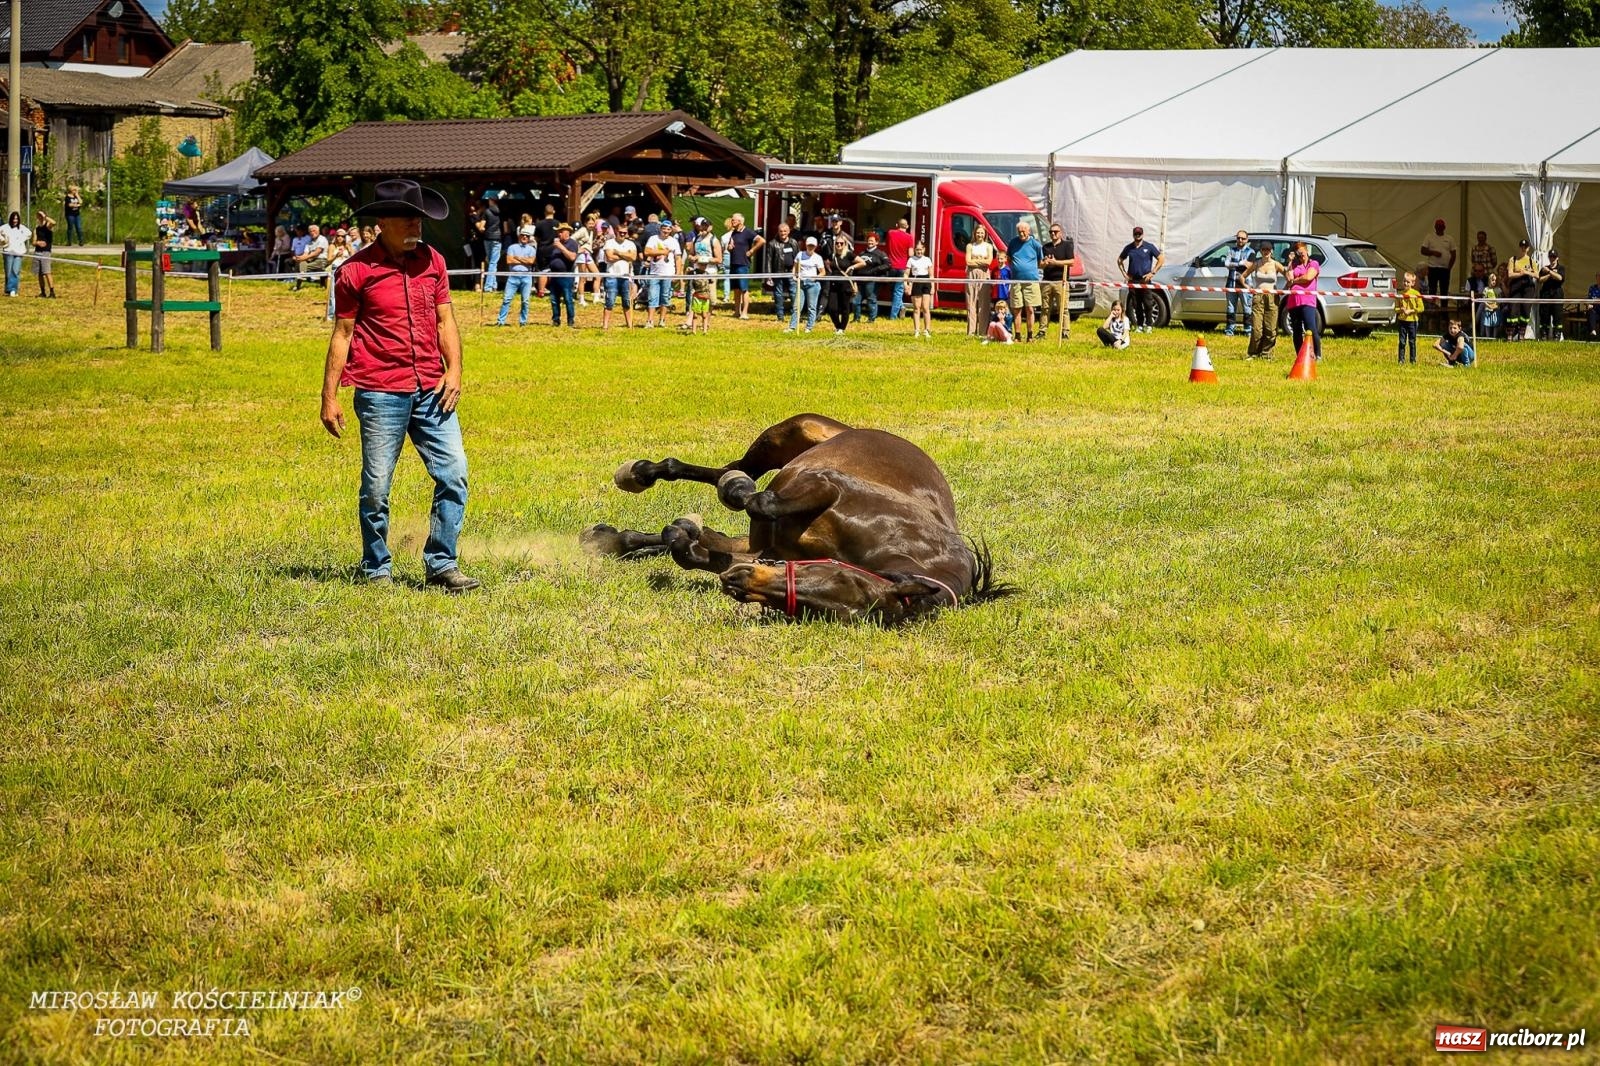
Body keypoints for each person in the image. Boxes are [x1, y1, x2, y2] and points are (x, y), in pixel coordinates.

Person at [319, 177, 476, 593]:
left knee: (455, 474)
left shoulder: (433, 261)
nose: (416, 225)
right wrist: (329, 397)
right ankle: (376, 568)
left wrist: (455, 370)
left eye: (419, 219)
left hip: (432, 389)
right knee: (376, 487)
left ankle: (442, 564)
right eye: (407, 218)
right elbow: (342, 334)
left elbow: (445, 321)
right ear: (382, 222)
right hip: (379, 392)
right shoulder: (354, 272)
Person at [1117, 226, 1164, 333]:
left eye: (1139, 234)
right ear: (1133, 235)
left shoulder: (1149, 247)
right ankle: (1139, 325)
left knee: (1148, 303)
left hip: (1145, 280)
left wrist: (1152, 272)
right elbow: (1119, 260)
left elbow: (1161, 259)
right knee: (1136, 304)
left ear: (1142, 234)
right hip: (1133, 280)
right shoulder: (1129, 248)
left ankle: (1149, 325)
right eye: (1136, 234)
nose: (1137, 236)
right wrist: (1124, 273)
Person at [1005, 219, 1044, 341]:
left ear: (1029, 231)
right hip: (1016, 281)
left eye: (1023, 231)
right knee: (1017, 309)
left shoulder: (1036, 245)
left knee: (1030, 309)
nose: (1021, 233)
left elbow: (1040, 262)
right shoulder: (1013, 243)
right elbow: (1009, 259)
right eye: (1019, 231)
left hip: (1031, 281)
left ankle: (1030, 335)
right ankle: (1017, 335)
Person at [1241, 242, 1282, 357]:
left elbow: (1289, 276)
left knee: (1271, 329)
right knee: (1256, 329)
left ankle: (1266, 353)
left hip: (1272, 297)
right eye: (1263, 249)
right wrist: (1248, 287)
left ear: (1271, 251)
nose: (1266, 252)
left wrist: (1284, 289)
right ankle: (1253, 353)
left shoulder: (1276, 264)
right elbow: (1242, 276)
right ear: (1260, 251)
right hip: (1258, 297)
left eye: (1268, 249)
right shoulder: (1256, 263)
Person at [1286, 242, 1321, 360]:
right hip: (1294, 301)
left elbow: (1308, 277)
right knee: (1296, 330)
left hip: (1308, 301)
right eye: (1298, 253)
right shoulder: (1294, 265)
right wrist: (1290, 262)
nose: (1301, 255)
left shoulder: (1314, 263)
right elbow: (1289, 278)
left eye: (1302, 252)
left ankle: (1317, 354)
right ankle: (1300, 356)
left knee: (1310, 327)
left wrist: (1295, 281)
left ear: (1307, 251)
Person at [496, 225, 537, 327]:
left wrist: (517, 258)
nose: (524, 237)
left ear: (529, 238)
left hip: (526, 277)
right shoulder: (512, 247)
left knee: (525, 301)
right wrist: (524, 260)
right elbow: (509, 260)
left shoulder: (532, 249)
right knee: (506, 299)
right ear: (519, 236)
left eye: (527, 236)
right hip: (513, 277)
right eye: (523, 235)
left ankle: (523, 322)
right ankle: (501, 321)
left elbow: (531, 262)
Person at [1041, 221, 1075, 340]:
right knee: (1045, 308)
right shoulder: (1046, 247)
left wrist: (1056, 262)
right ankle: (1042, 331)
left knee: (1063, 308)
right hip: (1047, 281)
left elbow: (1071, 262)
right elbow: (1040, 264)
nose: (1053, 234)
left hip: (1061, 281)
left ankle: (1065, 332)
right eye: (1051, 232)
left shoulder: (1067, 246)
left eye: (1055, 232)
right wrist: (1045, 263)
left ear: (1060, 233)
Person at [725, 213, 763, 320]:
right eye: (732, 220)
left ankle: (745, 312)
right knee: (736, 289)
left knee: (744, 289)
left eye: (734, 220)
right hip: (734, 263)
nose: (732, 221)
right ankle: (737, 311)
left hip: (743, 264)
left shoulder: (748, 232)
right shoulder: (733, 233)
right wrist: (729, 248)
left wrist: (752, 251)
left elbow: (761, 240)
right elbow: (730, 247)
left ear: (740, 221)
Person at [643, 219, 680, 328]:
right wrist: (663, 252)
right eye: (664, 229)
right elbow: (647, 251)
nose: (666, 231)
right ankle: (650, 321)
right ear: (660, 229)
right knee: (652, 297)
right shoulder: (653, 239)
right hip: (654, 273)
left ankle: (662, 320)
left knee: (665, 297)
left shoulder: (674, 241)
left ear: (671, 230)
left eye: (668, 229)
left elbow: (678, 258)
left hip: (668, 273)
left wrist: (678, 273)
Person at [600, 222, 637, 330]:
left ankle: (629, 325)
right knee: (610, 301)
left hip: (626, 276)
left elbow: (633, 257)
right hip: (612, 275)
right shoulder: (609, 243)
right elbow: (610, 258)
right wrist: (626, 255)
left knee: (627, 301)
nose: (622, 234)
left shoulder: (631, 244)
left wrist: (618, 253)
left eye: (625, 233)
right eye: (620, 232)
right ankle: (605, 326)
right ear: (616, 231)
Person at [1420, 217, 1457, 322]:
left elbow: (1454, 254)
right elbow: (1422, 250)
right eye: (1438, 226)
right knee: (1432, 290)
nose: (1439, 228)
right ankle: (1432, 312)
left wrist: (1449, 267)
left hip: (1445, 269)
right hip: (1433, 268)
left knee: (1444, 291)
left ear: (1444, 227)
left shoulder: (1449, 238)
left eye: (1441, 226)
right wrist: (1433, 252)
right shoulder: (1429, 237)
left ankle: (1444, 314)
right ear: (1435, 227)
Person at [850, 230, 889, 322]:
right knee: (855, 301)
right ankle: (856, 318)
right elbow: (856, 266)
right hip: (860, 281)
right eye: (868, 240)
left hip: (872, 281)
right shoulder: (862, 253)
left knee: (871, 300)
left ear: (877, 242)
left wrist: (875, 270)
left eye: (872, 240)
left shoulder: (881, 254)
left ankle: (871, 319)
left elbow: (887, 265)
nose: (870, 242)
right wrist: (854, 280)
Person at [1223, 230, 1255, 338]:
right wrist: (1240, 263)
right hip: (1231, 283)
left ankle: (1248, 331)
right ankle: (1229, 330)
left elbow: (1249, 266)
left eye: (1243, 238)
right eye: (1238, 238)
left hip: (1246, 284)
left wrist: (1233, 265)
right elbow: (1226, 264)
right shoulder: (1231, 250)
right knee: (1230, 308)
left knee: (1247, 308)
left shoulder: (1251, 252)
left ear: (1247, 240)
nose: (1240, 240)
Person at [823, 230, 857, 334]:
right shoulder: (832, 255)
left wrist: (852, 267)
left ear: (845, 244)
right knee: (832, 308)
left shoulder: (849, 255)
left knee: (845, 308)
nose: (839, 245)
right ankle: (838, 326)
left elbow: (862, 262)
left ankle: (842, 328)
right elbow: (826, 262)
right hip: (834, 284)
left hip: (845, 285)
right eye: (837, 243)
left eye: (841, 243)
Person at [789, 235, 825, 333]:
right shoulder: (800, 255)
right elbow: (795, 267)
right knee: (797, 306)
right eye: (809, 245)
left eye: (812, 246)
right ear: (806, 245)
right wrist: (794, 276)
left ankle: (809, 327)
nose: (810, 247)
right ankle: (792, 327)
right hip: (801, 282)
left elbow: (822, 272)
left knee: (811, 307)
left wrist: (814, 278)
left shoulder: (818, 258)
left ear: (815, 246)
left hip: (813, 284)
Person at [964, 224, 995, 336]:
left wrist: (975, 259)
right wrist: (981, 260)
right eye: (978, 232)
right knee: (971, 302)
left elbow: (989, 262)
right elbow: (968, 261)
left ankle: (983, 332)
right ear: (974, 233)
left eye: (982, 233)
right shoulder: (970, 246)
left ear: (985, 234)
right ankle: (971, 332)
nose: (980, 235)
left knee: (984, 303)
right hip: (971, 274)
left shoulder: (988, 246)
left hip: (984, 274)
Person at [767, 221, 800, 324]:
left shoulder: (794, 242)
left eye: (785, 231)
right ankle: (780, 316)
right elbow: (769, 260)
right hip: (778, 272)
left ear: (789, 231)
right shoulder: (772, 243)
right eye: (781, 231)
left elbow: (798, 258)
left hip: (791, 272)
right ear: (778, 232)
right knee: (778, 294)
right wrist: (769, 276)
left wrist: (798, 271)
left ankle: (795, 315)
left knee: (794, 294)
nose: (783, 233)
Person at [548, 221, 579, 327]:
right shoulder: (555, 245)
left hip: (566, 276)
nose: (559, 234)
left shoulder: (572, 243)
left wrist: (561, 247)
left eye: (561, 232)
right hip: (554, 275)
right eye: (559, 232)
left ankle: (570, 320)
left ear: (567, 232)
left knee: (568, 298)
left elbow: (572, 257)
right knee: (554, 299)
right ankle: (556, 319)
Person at [1504, 238, 1536, 340]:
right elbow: (1510, 274)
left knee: (1526, 309)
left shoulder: (1531, 261)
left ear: (1528, 249)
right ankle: (1510, 332)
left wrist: (1526, 272)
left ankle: (1522, 332)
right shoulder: (1513, 259)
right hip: (1516, 285)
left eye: (1525, 247)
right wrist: (1520, 274)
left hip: (1528, 287)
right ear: (1519, 247)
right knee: (1513, 309)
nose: (1523, 248)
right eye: (1522, 246)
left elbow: (1537, 275)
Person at [885, 217, 913, 320]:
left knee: (893, 290)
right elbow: (910, 253)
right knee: (898, 292)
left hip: (891, 266)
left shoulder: (891, 233)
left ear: (897, 225)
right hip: (902, 267)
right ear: (907, 226)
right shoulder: (909, 237)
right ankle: (893, 316)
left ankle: (901, 307)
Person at [905, 239, 934, 338]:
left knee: (925, 307)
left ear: (924, 249)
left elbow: (931, 275)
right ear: (914, 250)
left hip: (926, 282)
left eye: (921, 249)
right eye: (917, 249)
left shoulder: (928, 260)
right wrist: (906, 285)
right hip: (916, 282)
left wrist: (933, 286)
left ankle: (927, 330)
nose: (919, 251)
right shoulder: (911, 260)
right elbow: (906, 274)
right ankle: (916, 330)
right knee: (917, 308)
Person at [1395, 271, 1423, 364]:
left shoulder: (1416, 293)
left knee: (1412, 341)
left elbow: (1421, 308)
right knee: (1402, 341)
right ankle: (1401, 360)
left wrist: (1411, 311)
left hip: (1413, 321)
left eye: (1408, 282)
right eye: (1404, 281)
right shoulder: (1400, 294)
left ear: (1413, 283)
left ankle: (1412, 360)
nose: (1406, 283)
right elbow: (1395, 309)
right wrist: (1401, 309)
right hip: (1402, 321)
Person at [1537, 249, 1566, 340]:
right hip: (1546, 293)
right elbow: (1540, 280)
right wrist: (1551, 274)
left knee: (1557, 316)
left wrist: (1549, 272)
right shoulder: (1544, 268)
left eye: (1554, 257)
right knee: (1544, 315)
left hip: (1557, 293)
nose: (1552, 258)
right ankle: (1544, 334)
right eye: (1550, 257)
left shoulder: (1561, 268)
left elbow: (1560, 278)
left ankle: (1557, 335)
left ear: (1557, 258)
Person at [293, 223, 329, 291]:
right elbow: (305, 253)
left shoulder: (322, 239)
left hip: (321, 260)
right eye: (310, 231)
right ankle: (300, 281)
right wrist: (299, 258)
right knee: (302, 263)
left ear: (318, 231)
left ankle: (297, 286)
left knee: (302, 266)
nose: (312, 232)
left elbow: (317, 252)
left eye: (314, 230)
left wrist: (303, 258)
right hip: (312, 260)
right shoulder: (309, 242)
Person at [2, 211, 31, 296]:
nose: (15, 220)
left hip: (19, 252)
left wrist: (21, 239)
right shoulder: (5, 227)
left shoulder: (22, 228)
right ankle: (8, 290)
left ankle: (13, 289)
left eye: (17, 219)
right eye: (14, 219)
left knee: (15, 271)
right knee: (8, 272)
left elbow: (29, 234)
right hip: (8, 252)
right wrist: (3, 240)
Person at [480, 193, 503, 294]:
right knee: (493, 263)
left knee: (491, 262)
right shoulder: (500, 212)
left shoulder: (487, 211)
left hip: (487, 238)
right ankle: (493, 285)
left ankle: (488, 287)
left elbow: (482, 227)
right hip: (497, 238)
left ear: (490, 200)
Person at [31, 211, 56, 298]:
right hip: (37, 252)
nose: (40, 217)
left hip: (46, 252)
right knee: (39, 273)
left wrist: (45, 217)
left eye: (41, 215)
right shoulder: (36, 229)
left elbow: (54, 222)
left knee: (47, 272)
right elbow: (33, 242)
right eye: (39, 215)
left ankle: (52, 292)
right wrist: (37, 243)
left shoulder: (48, 226)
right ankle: (43, 292)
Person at [1468, 230, 1496, 300]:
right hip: (1476, 273)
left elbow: (1494, 262)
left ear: (1485, 238)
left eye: (1482, 237)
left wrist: (1487, 268)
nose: (1480, 239)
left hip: (1487, 272)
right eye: (1479, 237)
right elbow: (1473, 260)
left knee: (1488, 291)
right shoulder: (1474, 248)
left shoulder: (1490, 248)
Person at [1480, 272, 1501, 339]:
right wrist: (1488, 306)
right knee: (1487, 324)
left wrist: (1496, 306)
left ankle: (1495, 337)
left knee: (1495, 324)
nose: (1494, 282)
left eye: (1495, 280)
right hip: (1488, 309)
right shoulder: (1486, 289)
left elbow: (1500, 299)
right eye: (1492, 280)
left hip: (1496, 309)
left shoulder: (1498, 290)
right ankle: (1488, 337)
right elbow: (1484, 299)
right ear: (1489, 280)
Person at [1587, 272, 1600, 340]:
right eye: (1598, 277)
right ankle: (1593, 331)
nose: (1599, 279)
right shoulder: (1592, 287)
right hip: (1595, 310)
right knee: (1591, 312)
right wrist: (1589, 304)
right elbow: (1589, 299)